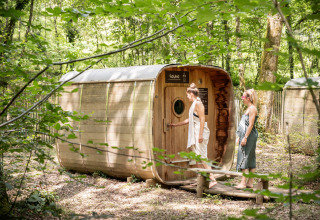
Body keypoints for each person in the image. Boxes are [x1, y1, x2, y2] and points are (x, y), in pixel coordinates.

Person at [169, 83, 217, 188]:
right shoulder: (194, 103)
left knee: (202, 157)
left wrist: (200, 135)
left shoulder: (198, 103)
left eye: (187, 95)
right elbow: (189, 120)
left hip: (201, 132)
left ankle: (212, 179)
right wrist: (175, 124)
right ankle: (200, 179)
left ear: (191, 94)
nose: (186, 97)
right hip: (195, 132)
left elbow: (202, 119)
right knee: (197, 157)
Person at [235, 88, 258, 189]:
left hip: (249, 136)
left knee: (244, 156)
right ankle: (250, 182)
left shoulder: (252, 108)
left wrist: (245, 137)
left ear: (248, 98)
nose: (242, 98)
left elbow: (251, 124)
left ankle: (243, 182)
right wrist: (239, 136)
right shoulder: (249, 108)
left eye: (244, 97)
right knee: (249, 157)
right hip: (245, 135)